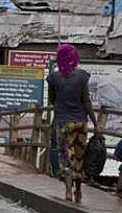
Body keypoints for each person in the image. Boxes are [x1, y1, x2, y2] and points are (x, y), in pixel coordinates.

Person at [47, 44, 100, 203]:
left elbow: (51, 100)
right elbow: (86, 101)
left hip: (63, 122)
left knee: (65, 158)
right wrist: (95, 123)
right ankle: (78, 191)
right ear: (75, 58)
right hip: (80, 122)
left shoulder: (54, 78)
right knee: (79, 157)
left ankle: (68, 191)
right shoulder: (82, 76)